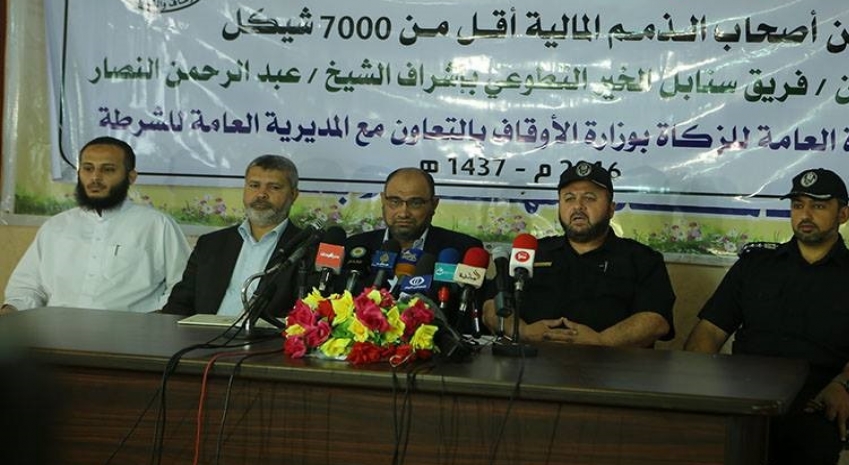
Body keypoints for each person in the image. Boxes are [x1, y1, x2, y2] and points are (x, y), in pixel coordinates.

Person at [684, 168, 849, 465]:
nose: (805, 214)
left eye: (818, 206)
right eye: (798, 205)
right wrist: (697, 385)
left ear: (843, 214)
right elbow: (709, 331)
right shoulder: (755, 265)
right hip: (744, 394)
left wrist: (842, 384)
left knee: (805, 445)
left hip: (813, 400)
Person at [483, 161, 675, 347]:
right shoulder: (531, 252)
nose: (578, 206)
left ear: (611, 209)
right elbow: (491, 305)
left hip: (611, 365)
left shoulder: (642, 259)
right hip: (531, 361)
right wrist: (522, 331)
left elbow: (656, 320)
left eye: (589, 198)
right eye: (569, 198)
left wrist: (602, 341)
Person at [1, 136, 190, 314]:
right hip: (56, 332)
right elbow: (27, 288)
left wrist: (154, 322)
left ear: (131, 177)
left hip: (132, 333)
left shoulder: (157, 225)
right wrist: (10, 312)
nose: (95, 178)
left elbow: (183, 287)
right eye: (88, 168)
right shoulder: (56, 226)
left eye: (108, 170)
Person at [162, 155, 309, 319]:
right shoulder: (210, 244)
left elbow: (310, 315)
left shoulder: (307, 248)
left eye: (274, 187)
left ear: (293, 195)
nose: (261, 194)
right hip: (204, 332)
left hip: (267, 335)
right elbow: (178, 305)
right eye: (254, 185)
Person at [338, 167, 483, 293]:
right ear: (383, 200)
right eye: (395, 201)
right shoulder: (354, 246)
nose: (403, 213)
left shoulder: (463, 250)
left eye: (415, 203)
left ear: (434, 204)